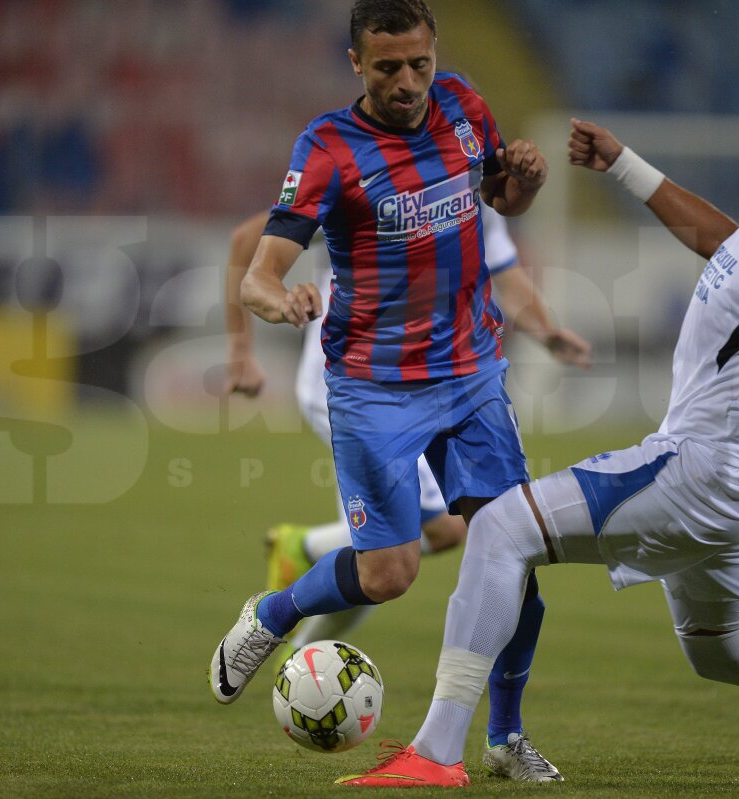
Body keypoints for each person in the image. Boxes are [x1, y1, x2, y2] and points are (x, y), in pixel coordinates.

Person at [337, 60, 739, 788]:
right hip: (734, 487)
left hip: (697, 470)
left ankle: (434, 752)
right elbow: (721, 240)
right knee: (726, 652)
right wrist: (622, 164)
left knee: (498, 528)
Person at [212, 0, 566, 781]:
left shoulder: (466, 106)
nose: (408, 83)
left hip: (472, 372)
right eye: (387, 69)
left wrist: (525, 184)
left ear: (434, 53)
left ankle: (504, 739)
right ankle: (272, 613)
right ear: (355, 65)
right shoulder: (330, 147)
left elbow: (501, 202)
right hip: (374, 387)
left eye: (419, 63)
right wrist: (285, 300)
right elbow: (260, 273)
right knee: (389, 574)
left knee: (516, 551)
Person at [224, 204, 591, 658]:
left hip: (421, 390)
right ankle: (301, 559)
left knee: (381, 557)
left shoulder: (472, 185)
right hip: (353, 386)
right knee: (425, 538)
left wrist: (547, 331)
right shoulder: (367, 179)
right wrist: (241, 351)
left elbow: (505, 275)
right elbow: (247, 241)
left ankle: (298, 651)